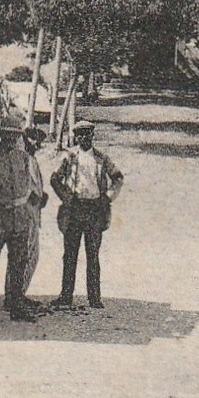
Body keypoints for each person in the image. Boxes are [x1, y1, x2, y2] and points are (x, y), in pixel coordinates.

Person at [49, 120, 123, 309]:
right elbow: (55, 178)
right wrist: (67, 197)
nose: (84, 137)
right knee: (70, 254)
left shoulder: (101, 158)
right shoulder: (69, 157)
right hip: (74, 210)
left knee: (93, 254)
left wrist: (107, 197)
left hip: (95, 211)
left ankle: (94, 297)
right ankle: (66, 296)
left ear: (92, 135)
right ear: (76, 136)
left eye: (87, 134)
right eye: (80, 134)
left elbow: (118, 177)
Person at [0, 113, 44, 322]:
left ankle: (16, 305)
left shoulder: (24, 158)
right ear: (1, 135)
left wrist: (34, 202)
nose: (11, 139)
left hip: (19, 219)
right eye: (7, 135)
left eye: (14, 135)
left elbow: (28, 187)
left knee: (19, 263)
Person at [20, 126, 48, 295]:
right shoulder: (21, 159)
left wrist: (41, 195)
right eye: (34, 140)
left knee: (31, 254)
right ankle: (15, 294)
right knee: (26, 254)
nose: (37, 145)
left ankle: (19, 292)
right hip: (24, 212)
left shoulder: (32, 159)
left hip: (34, 212)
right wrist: (32, 196)